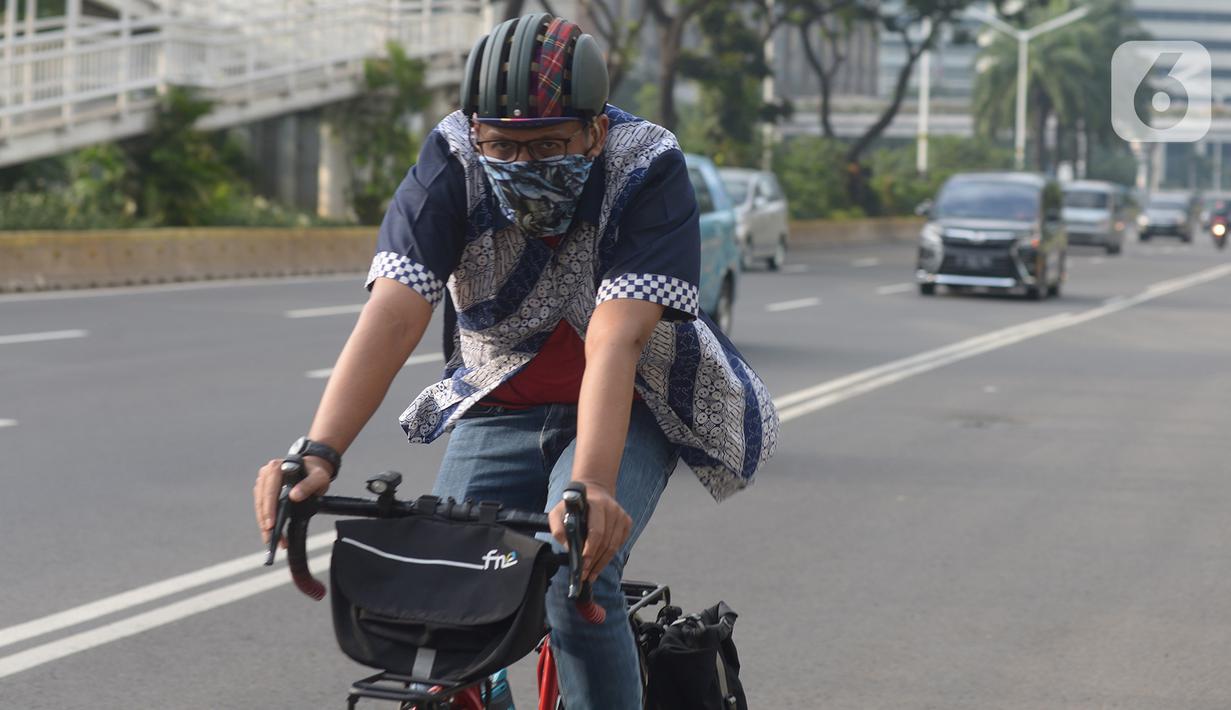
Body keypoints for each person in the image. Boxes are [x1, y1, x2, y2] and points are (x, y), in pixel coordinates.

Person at [253, 12, 778, 708]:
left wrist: (590, 486)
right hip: (498, 396)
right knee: (445, 590)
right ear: (474, 130)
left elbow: (615, 339)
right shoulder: (451, 158)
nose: (523, 166)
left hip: (632, 399)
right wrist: (318, 451)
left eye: (550, 145)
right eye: (502, 145)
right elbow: (394, 308)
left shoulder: (644, 162)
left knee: (573, 581)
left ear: (594, 130)